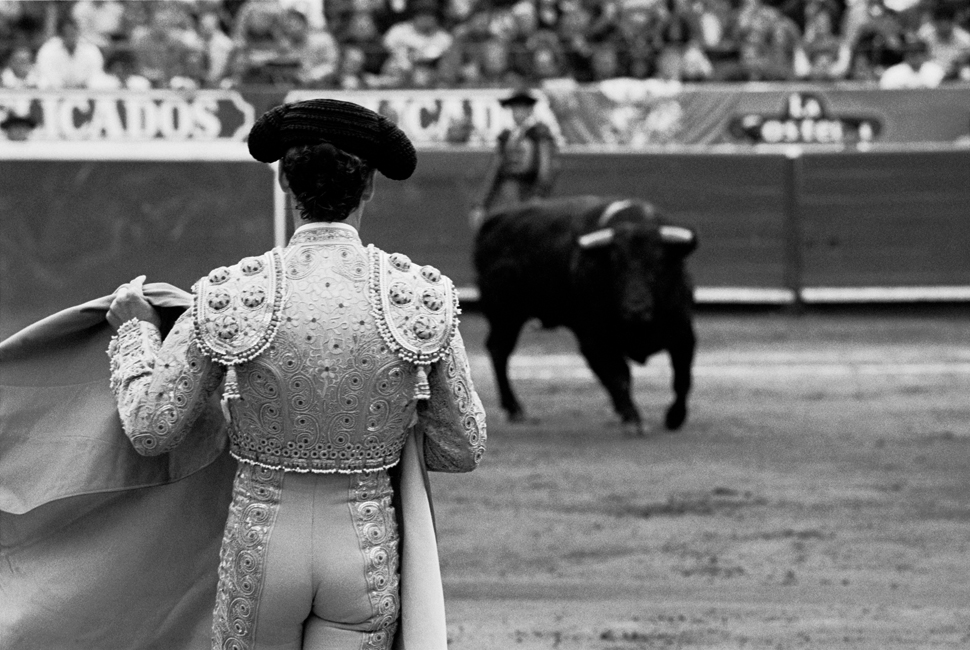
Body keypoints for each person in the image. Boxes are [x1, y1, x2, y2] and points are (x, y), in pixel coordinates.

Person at [105, 99, 486, 650]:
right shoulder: (421, 297)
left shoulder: (232, 294)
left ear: (286, 182)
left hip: (261, 542)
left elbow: (151, 429)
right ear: (370, 186)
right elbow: (463, 447)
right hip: (365, 546)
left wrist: (135, 335)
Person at [471, 88, 558, 226]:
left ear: (530, 110)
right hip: (508, 193)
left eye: (521, 109)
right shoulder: (507, 136)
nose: (517, 113)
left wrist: (539, 194)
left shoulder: (539, 134)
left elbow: (546, 167)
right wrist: (481, 204)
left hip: (529, 191)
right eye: (514, 109)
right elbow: (494, 171)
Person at [34, 16, 105, 88]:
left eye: (73, 33)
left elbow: (96, 72)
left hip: (85, 91)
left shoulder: (90, 49)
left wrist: (84, 85)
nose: (70, 37)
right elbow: (47, 72)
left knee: (101, 82)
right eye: (67, 33)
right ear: (60, 35)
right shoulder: (48, 50)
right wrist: (61, 86)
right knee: (43, 82)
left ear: (78, 32)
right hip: (56, 91)